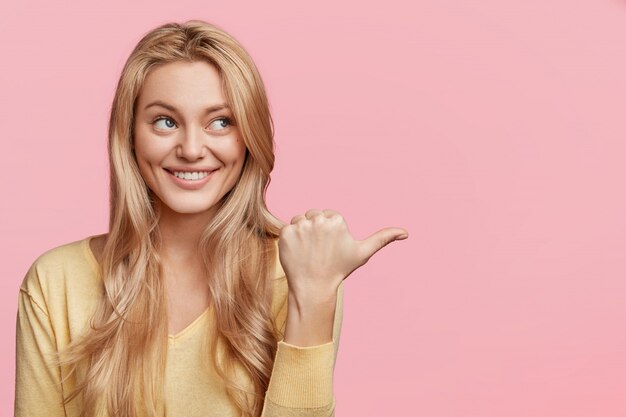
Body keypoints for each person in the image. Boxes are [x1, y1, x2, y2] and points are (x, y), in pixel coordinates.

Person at [14, 20, 408, 417]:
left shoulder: (297, 273)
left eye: (220, 122)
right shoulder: (55, 283)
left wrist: (314, 295)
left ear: (249, 136)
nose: (191, 148)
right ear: (130, 134)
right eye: (165, 121)